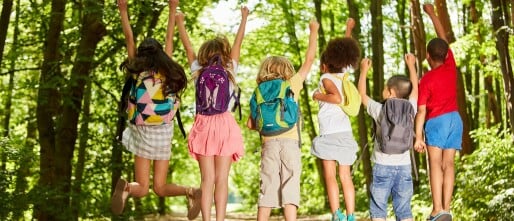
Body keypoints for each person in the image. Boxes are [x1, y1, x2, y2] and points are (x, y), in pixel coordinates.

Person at [111, 0, 202, 219]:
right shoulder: (166, 67)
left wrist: (123, 10)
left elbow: (129, 37)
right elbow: (170, 37)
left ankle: (127, 189)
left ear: (142, 52)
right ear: (160, 52)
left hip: (141, 128)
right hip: (163, 130)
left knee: (142, 188)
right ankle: (190, 191)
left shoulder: (136, 67)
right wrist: (172, 10)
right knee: (160, 188)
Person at [176, 6, 249, 221]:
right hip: (225, 124)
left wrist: (180, 21)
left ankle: (206, 219)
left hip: (204, 125)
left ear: (203, 54)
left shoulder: (197, 68)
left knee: (206, 179)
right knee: (222, 179)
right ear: (224, 53)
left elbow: (187, 46)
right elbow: (238, 42)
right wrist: (244, 18)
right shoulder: (229, 66)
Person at [246, 20, 319, 221]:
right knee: (290, 184)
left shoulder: (258, 92)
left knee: (267, 185)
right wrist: (313, 31)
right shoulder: (291, 84)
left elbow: (250, 124)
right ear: (287, 70)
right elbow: (310, 59)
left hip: (268, 144)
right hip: (290, 143)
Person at [414, 3, 463, 221]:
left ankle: (437, 209)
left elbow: (422, 111)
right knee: (449, 164)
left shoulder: (426, 79)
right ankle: (447, 208)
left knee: (435, 163)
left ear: (427, 56)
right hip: (455, 120)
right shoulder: (450, 65)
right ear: (445, 54)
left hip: (437, 121)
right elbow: (442, 37)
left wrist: (418, 136)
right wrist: (432, 14)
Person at [358, 54, 419, 221]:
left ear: (391, 92)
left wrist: (363, 71)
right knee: (404, 209)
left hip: (382, 165)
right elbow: (415, 91)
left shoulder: (380, 109)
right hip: (404, 165)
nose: (383, 90)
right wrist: (411, 65)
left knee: (378, 209)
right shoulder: (410, 109)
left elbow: (362, 95)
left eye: (385, 88)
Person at [310, 18, 359, 221]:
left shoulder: (325, 79)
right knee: (345, 177)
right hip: (345, 133)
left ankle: (336, 214)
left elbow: (336, 98)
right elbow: (344, 52)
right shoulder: (344, 76)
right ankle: (351, 215)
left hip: (329, 135)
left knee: (331, 176)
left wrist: (317, 95)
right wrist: (348, 29)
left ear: (324, 66)